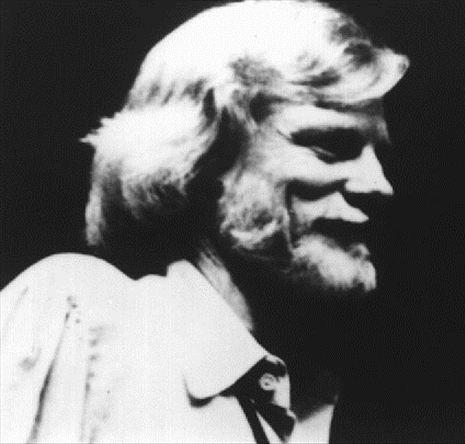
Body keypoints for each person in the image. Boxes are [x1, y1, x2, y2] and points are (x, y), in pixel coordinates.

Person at [0, 1, 409, 442]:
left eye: (380, 159)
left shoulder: (318, 406)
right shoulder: (81, 320)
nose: (380, 185)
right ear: (206, 158)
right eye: (330, 146)